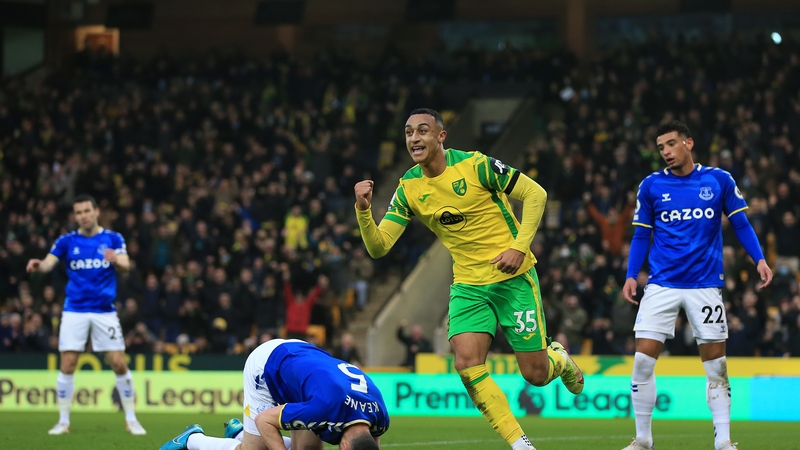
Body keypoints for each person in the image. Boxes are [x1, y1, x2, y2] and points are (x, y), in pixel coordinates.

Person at [353, 108, 583, 450]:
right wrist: (363, 210)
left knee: (535, 375)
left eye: (422, 131)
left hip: (513, 278)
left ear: (441, 136)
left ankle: (559, 359)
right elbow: (379, 246)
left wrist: (520, 247)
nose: (414, 138)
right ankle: (521, 445)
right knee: (466, 363)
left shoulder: (477, 165)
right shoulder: (409, 188)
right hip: (469, 286)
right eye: (408, 133)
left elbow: (536, 195)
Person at [622, 121, 773, 450]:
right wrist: (632, 274)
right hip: (662, 283)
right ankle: (643, 440)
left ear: (688, 143)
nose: (666, 152)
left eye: (672, 144)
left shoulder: (718, 180)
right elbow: (641, 234)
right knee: (643, 361)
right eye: (661, 147)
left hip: (705, 284)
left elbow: (741, 222)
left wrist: (759, 259)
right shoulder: (650, 186)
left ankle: (723, 440)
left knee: (716, 365)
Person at [26, 194, 146, 435]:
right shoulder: (67, 241)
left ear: (96, 211)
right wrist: (39, 265)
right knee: (68, 364)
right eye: (78, 212)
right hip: (75, 310)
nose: (83, 216)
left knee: (119, 363)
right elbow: (50, 263)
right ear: (75, 215)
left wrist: (117, 260)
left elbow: (126, 263)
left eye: (86, 211)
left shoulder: (112, 238)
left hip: (104, 311)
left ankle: (131, 419)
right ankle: (63, 422)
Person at [160, 339, 388, 450]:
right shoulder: (324, 408)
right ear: (345, 448)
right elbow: (264, 420)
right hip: (269, 364)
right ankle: (192, 440)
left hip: (306, 363)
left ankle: (240, 432)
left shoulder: (380, 418)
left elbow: (370, 440)